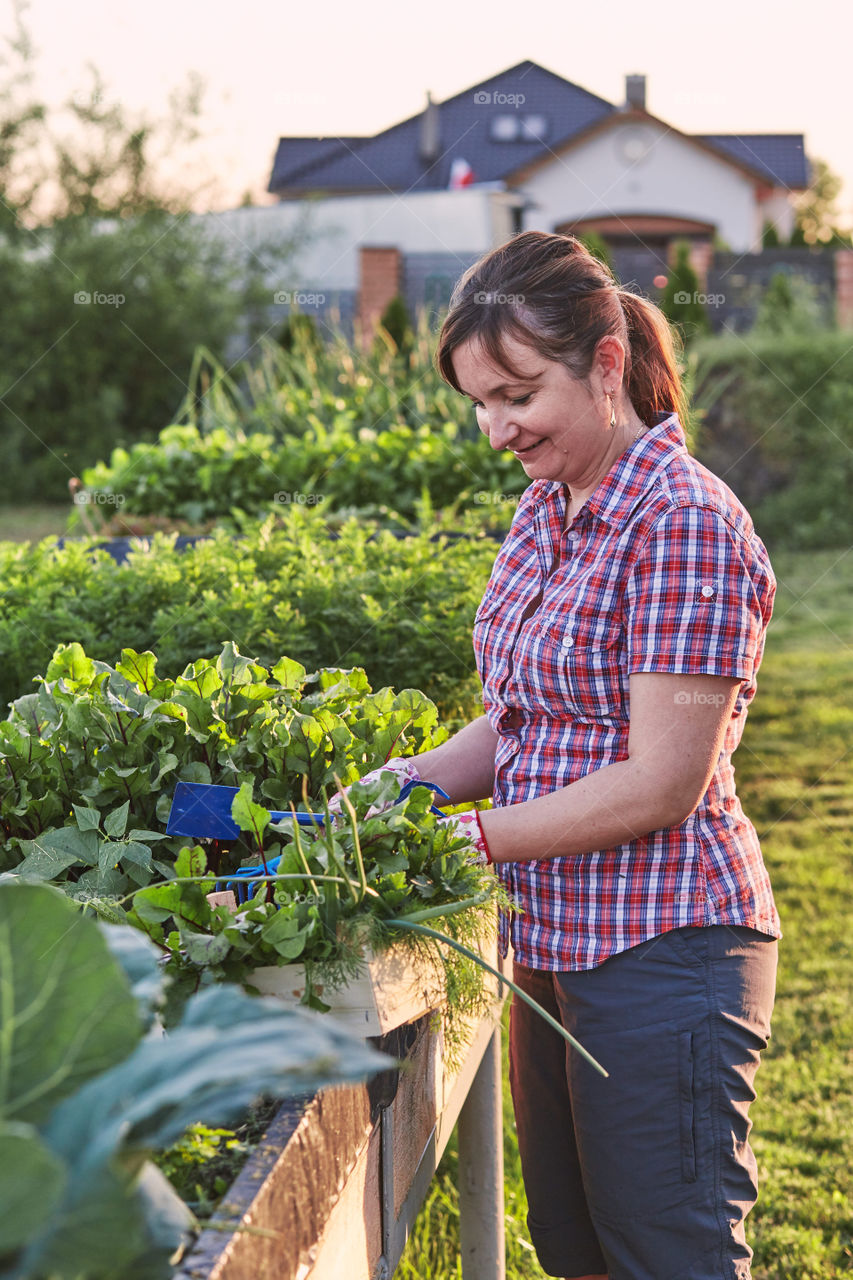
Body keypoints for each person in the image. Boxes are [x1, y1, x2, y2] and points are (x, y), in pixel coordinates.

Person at [355, 231, 780, 1280]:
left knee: (665, 1252)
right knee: (578, 1246)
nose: (497, 428)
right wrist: (399, 788)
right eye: (479, 403)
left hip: (664, 948)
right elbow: (522, 717)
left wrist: (467, 840)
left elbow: (660, 780)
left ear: (602, 363)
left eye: (517, 393)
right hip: (552, 943)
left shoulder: (682, 521)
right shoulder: (548, 509)